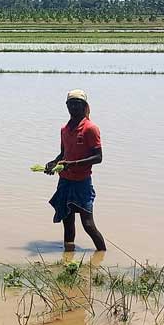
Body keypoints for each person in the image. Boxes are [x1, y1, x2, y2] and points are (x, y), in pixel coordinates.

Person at [44, 90, 106, 252]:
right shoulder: (65, 129)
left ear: (84, 106)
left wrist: (73, 163)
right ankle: (68, 256)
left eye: (77, 104)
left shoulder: (90, 128)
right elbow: (63, 154)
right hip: (65, 180)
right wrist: (53, 163)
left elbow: (98, 157)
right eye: (70, 103)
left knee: (88, 224)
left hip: (82, 182)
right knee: (67, 220)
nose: (73, 106)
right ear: (66, 106)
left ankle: (102, 253)